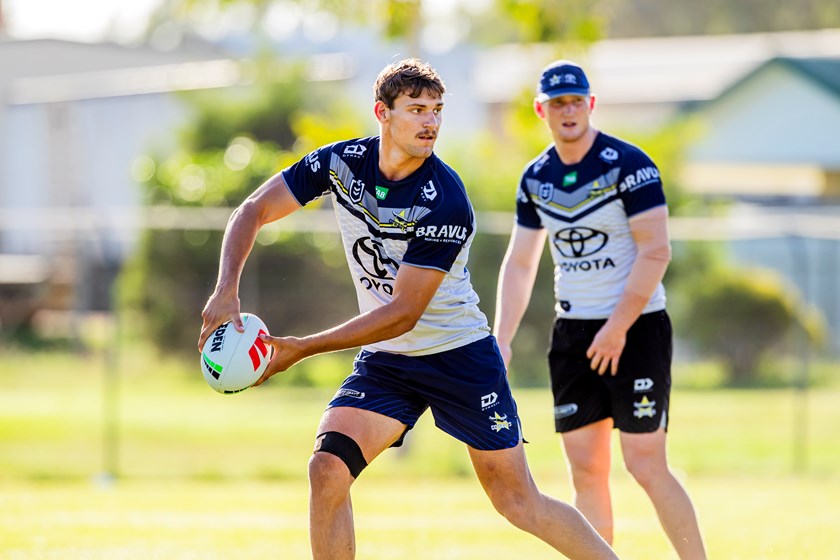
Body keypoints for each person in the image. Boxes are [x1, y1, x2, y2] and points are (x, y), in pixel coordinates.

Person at [198, 59, 618, 560]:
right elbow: (253, 210)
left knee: (517, 501)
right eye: (417, 109)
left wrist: (301, 348)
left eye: (437, 110)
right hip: (389, 361)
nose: (430, 122)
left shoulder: (445, 198)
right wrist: (226, 288)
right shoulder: (341, 163)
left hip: (459, 356)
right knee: (327, 469)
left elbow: (403, 313)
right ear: (383, 112)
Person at [493, 60, 707, 560]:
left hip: (637, 329)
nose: (567, 111)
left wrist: (616, 327)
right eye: (557, 103)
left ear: (590, 104)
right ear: (541, 110)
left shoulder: (628, 164)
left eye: (576, 101)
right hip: (573, 333)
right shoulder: (536, 177)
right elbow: (521, 262)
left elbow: (656, 251)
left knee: (645, 463)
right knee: (586, 469)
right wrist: (501, 339)